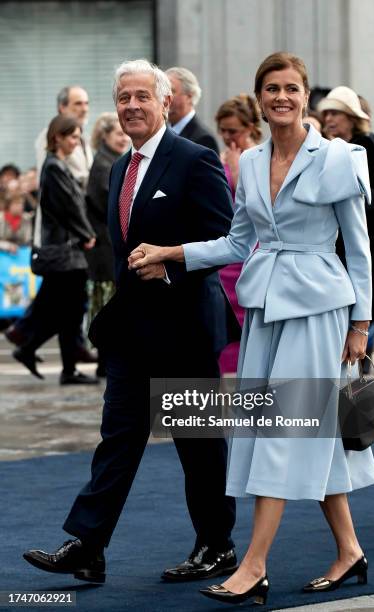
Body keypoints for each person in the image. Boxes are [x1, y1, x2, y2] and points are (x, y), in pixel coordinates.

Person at [128, 52, 374, 606]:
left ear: (306, 95)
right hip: (264, 313)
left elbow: (359, 252)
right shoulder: (251, 159)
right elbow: (237, 243)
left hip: (319, 310)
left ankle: (254, 565)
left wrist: (361, 325)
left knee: (285, 432)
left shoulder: (338, 159)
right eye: (271, 89)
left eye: (291, 88)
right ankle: (350, 551)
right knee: (308, 432)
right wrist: (172, 251)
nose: (281, 97)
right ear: (260, 97)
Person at [23, 59, 238, 585]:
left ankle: (217, 547)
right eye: (124, 97)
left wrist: (172, 258)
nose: (132, 106)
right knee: (117, 439)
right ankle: (88, 546)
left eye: (143, 96)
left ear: (166, 102)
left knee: (199, 447)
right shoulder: (121, 165)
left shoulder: (195, 159)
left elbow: (226, 238)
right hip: (132, 332)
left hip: (185, 326)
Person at [318, 86, 374, 399]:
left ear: (352, 117)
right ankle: (348, 389)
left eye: (335, 112)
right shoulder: (325, 148)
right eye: (326, 113)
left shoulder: (371, 147)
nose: (328, 119)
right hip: (337, 252)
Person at [12, 115, 98, 385]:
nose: (76, 142)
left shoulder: (57, 166)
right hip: (66, 253)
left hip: (66, 251)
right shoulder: (54, 167)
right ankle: (35, 349)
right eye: (72, 136)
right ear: (57, 137)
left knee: (66, 312)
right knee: (68, 312)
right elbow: (70, 207)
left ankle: (36, 350)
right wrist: (87, 234)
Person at [215, 94, 262, 374]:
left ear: (249, 128)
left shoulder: (258, 156)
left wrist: (236, 168)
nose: (227, 136)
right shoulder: (221, 156)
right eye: (223, 130)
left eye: (233, 130)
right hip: (225, 256)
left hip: (251, 251)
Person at [85, 112, 130, 377]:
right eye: (118, 134)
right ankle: (105, 362)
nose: (123, 138)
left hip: (107, 248)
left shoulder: (111, 160)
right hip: (104, 249)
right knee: (106, 305)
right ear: (105, 136)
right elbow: (109, 206)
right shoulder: (105, 164)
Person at [35, 86, 93, 188]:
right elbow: (47, 180)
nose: (84, 109)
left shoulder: (84, 137)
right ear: (62, 108)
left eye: (86, 103)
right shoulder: (49, 135)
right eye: (78, 104)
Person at [166, 66, 219, 154]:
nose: (165, 97)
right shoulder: (162, 132)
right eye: (162, 92)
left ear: (190, 96)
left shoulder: (203, 139)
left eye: (171, 91)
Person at [0, 187, 33, 253]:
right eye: (16, 204)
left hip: (21, 251)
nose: (20, 206)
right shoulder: (1, 218)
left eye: (21, 204)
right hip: (2, 251)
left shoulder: (26, 218)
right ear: (8, 205)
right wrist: (6, 246)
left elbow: (28, 240)